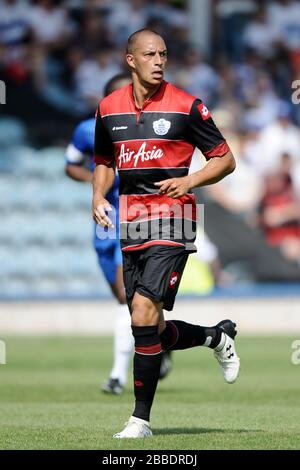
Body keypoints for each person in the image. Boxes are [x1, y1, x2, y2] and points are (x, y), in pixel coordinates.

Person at [92, 29, 240, 438]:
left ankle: (139, 421)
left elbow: (225, 160)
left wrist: (189, 181)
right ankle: (216, 337)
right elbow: (104, 160)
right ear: (130, 60)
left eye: (164, 54)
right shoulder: (108, 109)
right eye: (150, 54)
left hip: (174, 218)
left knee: (142, 310)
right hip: (130, 220)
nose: (159, 60)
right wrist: (97, 196)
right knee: (150, 328)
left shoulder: (187, 106)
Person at [65, 73, 173, 395]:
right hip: (104, 221)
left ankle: (117, 375)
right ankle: (161, 340)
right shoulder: (87, 130)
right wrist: (98, 186)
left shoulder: (146, 128)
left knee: (129, 298)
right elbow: (70, 164)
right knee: (124, 299)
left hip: (136, 216)